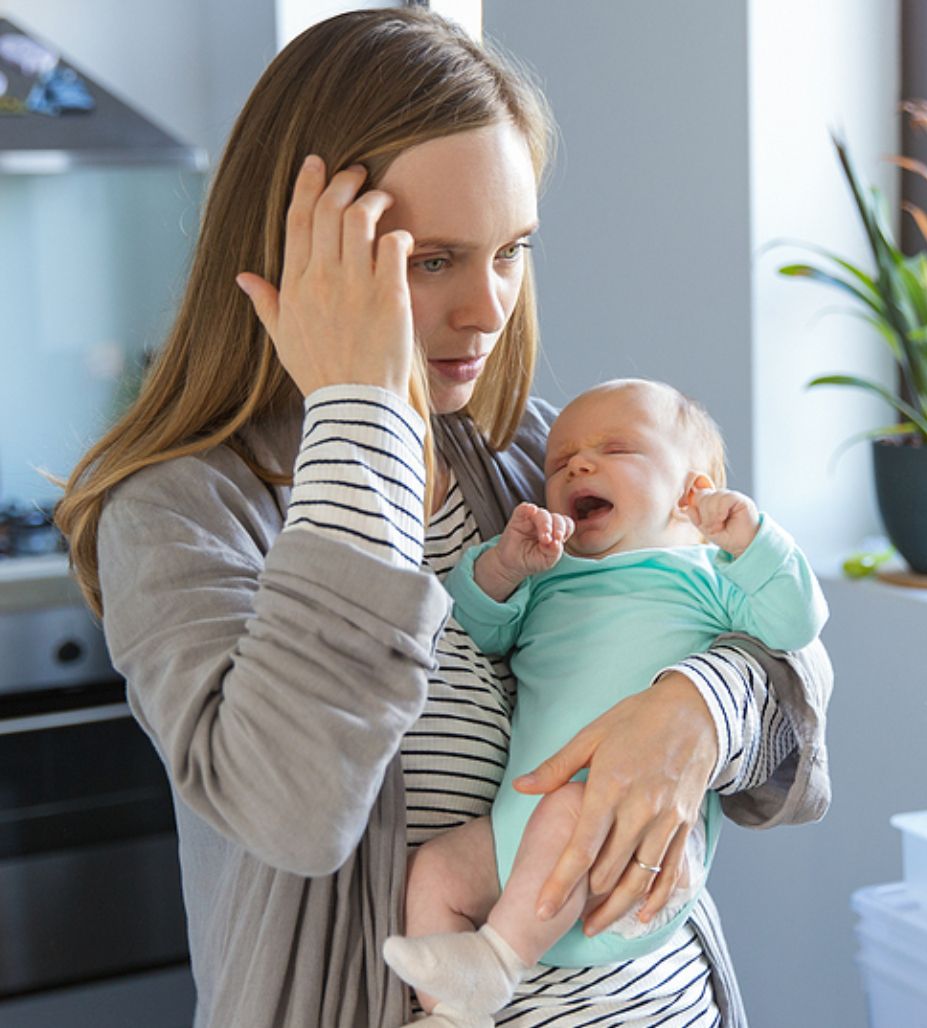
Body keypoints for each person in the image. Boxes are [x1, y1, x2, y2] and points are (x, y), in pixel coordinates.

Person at [53, 9, 834, 1027]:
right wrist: (360, 418)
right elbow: (293, 808)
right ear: (302, 259)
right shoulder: (181, 513)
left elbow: (794, 709)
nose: (489, 307)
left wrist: (696, 707)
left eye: (511, 249)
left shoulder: (536, 462)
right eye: (432, 260)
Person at [382, 378, 829, 1026]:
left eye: (615, 449)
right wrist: (504, 568)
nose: (578, 466)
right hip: (516, 832)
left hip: (621, 842)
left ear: (693, 491)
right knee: (436, 875)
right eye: (560, 463)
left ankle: (496, 963)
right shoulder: (548, 576)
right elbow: (471, 629)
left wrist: (754, 540)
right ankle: (451, 1011)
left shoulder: (707, 576)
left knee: (572, 807)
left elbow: (795, 629)